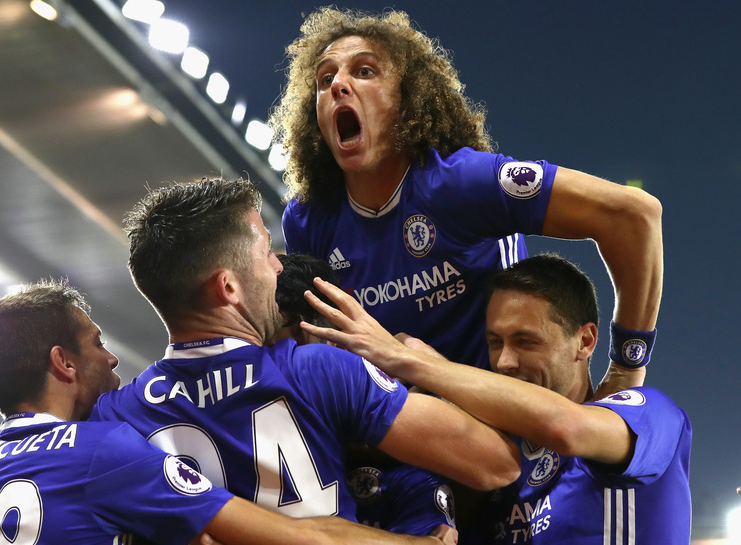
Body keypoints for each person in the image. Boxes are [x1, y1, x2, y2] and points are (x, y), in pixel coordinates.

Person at [270, 6, 663, 398]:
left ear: (407, 98)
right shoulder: (307, 220)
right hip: (406, 420)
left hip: (511, 408)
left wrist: (627, 366)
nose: (339, 84)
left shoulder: (460, 183)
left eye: (364, 71)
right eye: (325, 79)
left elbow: (633, 215)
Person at [89, 178, 520, 533]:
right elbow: (496, 464)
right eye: (265, 252)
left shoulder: (113, 418)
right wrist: (420, 364)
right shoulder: (315, 369)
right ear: (229, 288)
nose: (278, 266)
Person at [0, 279, 463, 545]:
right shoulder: (103, 448)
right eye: (97, 343)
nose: (111, 359)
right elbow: (304, 541)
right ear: (63, 363)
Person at [301, 254, 691, 545]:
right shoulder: (491, 464)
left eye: (526, 341)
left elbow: (566, 427)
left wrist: (414, 362)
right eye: (494, 342)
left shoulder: (647, 412)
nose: (504, 361)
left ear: (585, 341)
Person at [274, 253, 456, 538]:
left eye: (272, 329)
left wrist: (430, 372)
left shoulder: (395, 371)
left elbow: (487, 466)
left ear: (309, 327)